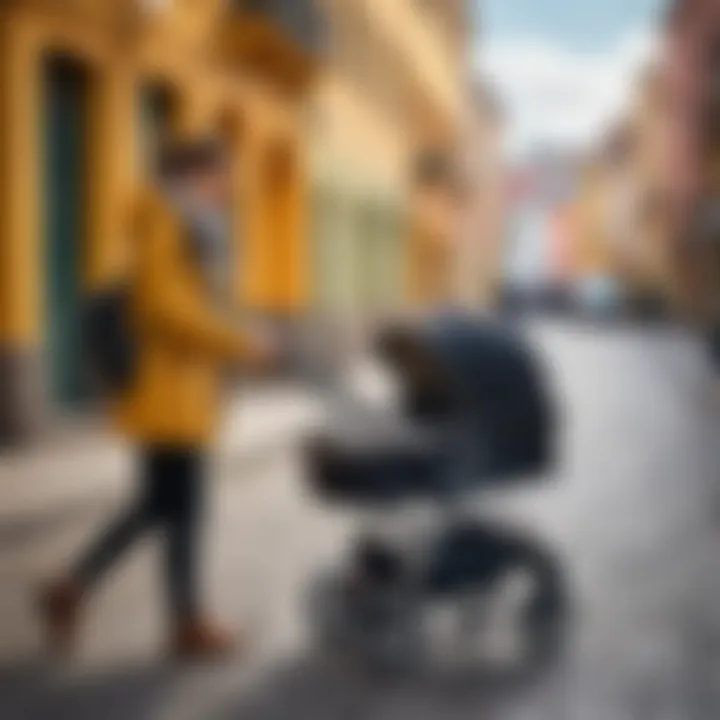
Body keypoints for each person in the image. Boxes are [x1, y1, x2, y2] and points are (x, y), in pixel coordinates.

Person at [39, 136, 276, 660]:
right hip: (167, 385)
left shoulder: (191, 224)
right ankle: (185, 623)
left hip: (181, 385)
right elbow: (162, 305)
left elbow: (194, 299)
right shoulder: (164, 218)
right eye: (222, 176)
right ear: (195, 174)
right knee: (184, 506)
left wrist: (242, 334)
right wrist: (239, 344)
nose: (229, 188)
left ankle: (73, 589)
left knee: (161, 503)